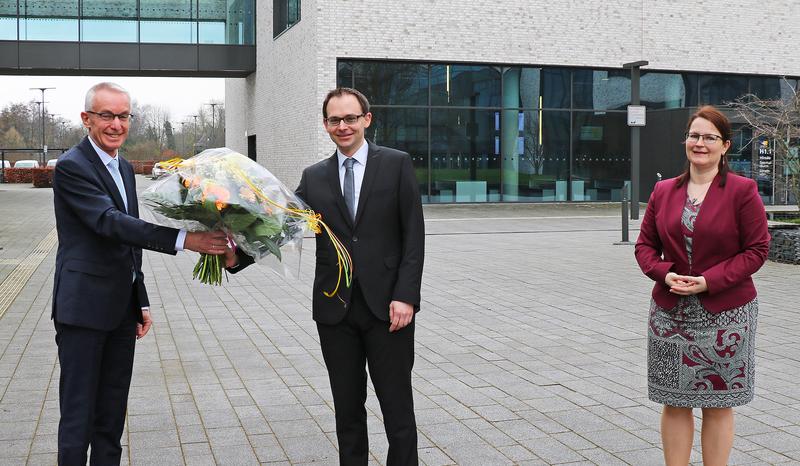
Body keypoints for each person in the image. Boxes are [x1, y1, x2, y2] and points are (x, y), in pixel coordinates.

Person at [226, 87, 425, 464]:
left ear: (367, 119)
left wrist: (406, 295)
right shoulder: (314, 176)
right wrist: (238, 256)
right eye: (335, 120)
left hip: (389, 309)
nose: (343, 126)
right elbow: (283, 225)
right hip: (336, 311)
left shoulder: (396, 164)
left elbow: (413, 234)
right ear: (325, 125)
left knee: (397, 408)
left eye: (350, 118)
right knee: (347, 410)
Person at [52, 82, 228, 465]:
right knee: (78, 417)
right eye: (106, 115)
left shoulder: (124, 168)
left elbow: (126, 242)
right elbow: (109, 223)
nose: (116, 124)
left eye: (123, 116)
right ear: (86, 119)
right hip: (82, 311)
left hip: (120, 310)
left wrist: (140, 298)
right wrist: (186, 239)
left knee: (111, 417)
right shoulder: (71, 167)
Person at [635, 105, 770, 466]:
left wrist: (708, 281)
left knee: (718, 404)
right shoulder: (663, 191)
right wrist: (663, 273)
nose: (700, 143)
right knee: (674, 400)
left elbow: (757, 250)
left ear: (725, 146)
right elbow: (645, 246)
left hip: (727, 315)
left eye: (710, 137)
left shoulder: (743, 191)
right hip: (669, 313)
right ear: (686, 141)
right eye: (694, 135)